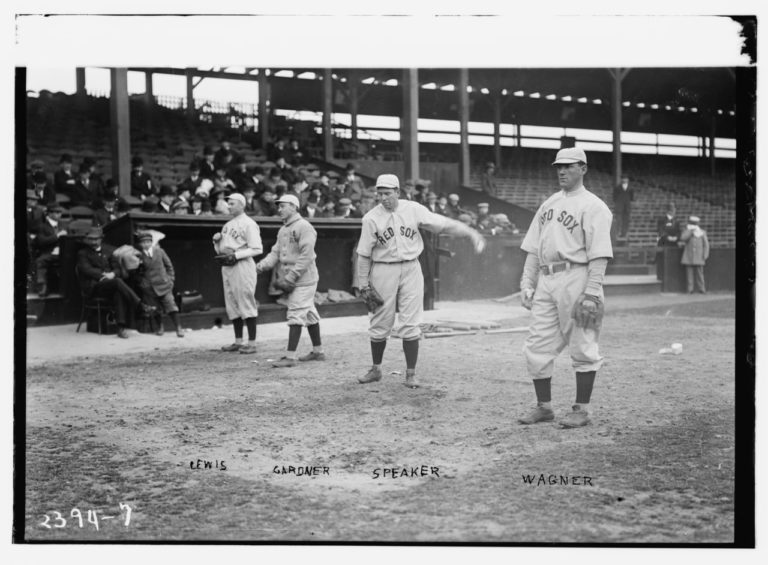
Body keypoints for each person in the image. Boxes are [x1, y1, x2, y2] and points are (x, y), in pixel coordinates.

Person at [356, 174, 486, 388]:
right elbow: (363, 254)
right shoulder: (370, 218)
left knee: (411, 322)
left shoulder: (414, 209)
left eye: (388, 193)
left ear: (398, 192)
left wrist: (470, 232)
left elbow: (443, 224)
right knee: (379, 321)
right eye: (380, 194)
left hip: (411, 267)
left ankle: (411, 374)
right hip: (382, 268)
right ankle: (376, 369)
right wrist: (363, 285)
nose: (383, 198)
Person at [518, 147, 613, 429]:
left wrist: (592, 292)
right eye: (559, 166)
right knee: (536, 344)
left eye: (569, 166)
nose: (561, 171)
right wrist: (527, 281)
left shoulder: (594, 206)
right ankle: (544, 407)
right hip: (547, 278)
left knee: (583, 344)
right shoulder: (549, 203)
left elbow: (599, 254)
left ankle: (581, 409)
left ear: (583, 168)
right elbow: (533, 249)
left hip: (578, 277)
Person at [256, 194, 325, 367]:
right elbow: (275, 253)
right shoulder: (283, 229)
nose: (279, 209)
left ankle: (290, 357)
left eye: (282, 206)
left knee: (295, 313)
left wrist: (292, 276)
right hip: (292, 277)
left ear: (294, 207)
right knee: (309, 314)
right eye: (278, 206)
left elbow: (307, 255)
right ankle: (318, 352)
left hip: (304, 278)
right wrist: (261, 266)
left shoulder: (304, 226)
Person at [76, 227, 156, 338]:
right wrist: (105, 274)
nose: (93, 242)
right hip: (94, 287)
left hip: (110, 285)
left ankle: (121, 328)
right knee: (117, 282)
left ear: (101, 239)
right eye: (91, 239)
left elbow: (117, 268)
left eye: (96, 239)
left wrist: (113, 274)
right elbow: (86, 269)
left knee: (118, 292)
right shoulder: (83, 253)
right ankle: (140, 305)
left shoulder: (109, 251)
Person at [212, 193, 263, 354]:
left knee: (246, 302)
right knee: (232, 303)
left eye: (232, 203)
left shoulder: (249, 223)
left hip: (243, 265)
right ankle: (238, 341)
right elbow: (221, 251)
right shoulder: (227, 225)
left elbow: (257, 248)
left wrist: (236, 255)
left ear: (242, 204)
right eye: (228, 203)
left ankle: (252, 343)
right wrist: (216, 242)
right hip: (227, 266)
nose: (229, 206)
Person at [135, 230, 185, 337]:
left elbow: (169, 266)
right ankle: (160, 328)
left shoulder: (160, 251)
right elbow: (138, 272)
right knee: (156, 309)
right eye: (143, 243)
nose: (145, 244)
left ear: (151, 242)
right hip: (150, 288)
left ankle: (179, 328)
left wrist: (170, 279)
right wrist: (143, 284)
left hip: (164, 285)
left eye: (148, 242)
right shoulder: (139, 256)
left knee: (171, 306)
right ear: (140, 244)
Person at [33, 203, 67, 296]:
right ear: (49, 213)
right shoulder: (42, 226)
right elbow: (41, 241)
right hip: (49, 252)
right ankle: (42, 286)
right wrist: (57, 236)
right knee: (40, 261)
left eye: (60, 212)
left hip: (64, 252)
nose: (59, 214)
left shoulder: (64, 225)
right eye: (56, 212)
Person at [679, 215, 709, 294]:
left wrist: (705, 255)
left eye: (695, 224)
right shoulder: (687, 231)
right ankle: (690, 289)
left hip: (699, 256)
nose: (694, 225)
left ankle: (702, 289)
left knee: (700, 274)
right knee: (689, 274)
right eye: (693, 223)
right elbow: (683, 238)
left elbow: (706, 245)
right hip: (689, 256)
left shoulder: (702, 232)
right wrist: (690, 232)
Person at [655, 202, 681, 282]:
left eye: (674, 209)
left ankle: (672, 277)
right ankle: (661, 277)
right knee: (662, 261)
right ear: (668, 211)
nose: (673, 211)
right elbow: (660, 231)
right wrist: (667, 237)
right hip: (664, 243)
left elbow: (679, 232)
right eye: (672, 209)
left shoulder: (677, 221)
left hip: (673, 244)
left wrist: (676, 237)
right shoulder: (662, 220)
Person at [612, 174, 633, 240]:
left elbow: (632, 198)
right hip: (619, 207)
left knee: (626, 221)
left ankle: (624, 234)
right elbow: (614, 198)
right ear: (621, 180)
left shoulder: (631, 189)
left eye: (626, 178)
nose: (625, 180)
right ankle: (617, 233)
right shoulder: (617, 188)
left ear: (628, 180)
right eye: (623, 178)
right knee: (618, 221)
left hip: (627, 208)